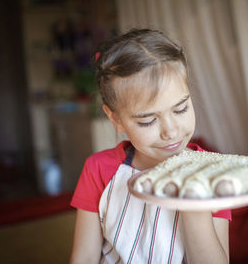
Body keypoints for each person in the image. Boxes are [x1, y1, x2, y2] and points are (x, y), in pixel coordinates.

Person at [70, 29, 231, 264]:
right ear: (115, 119)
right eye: (148, 120)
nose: (171, 131)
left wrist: (194, 202)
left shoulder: (213, 172)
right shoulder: (98, 169)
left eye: (181, 109)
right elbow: (84, 257)